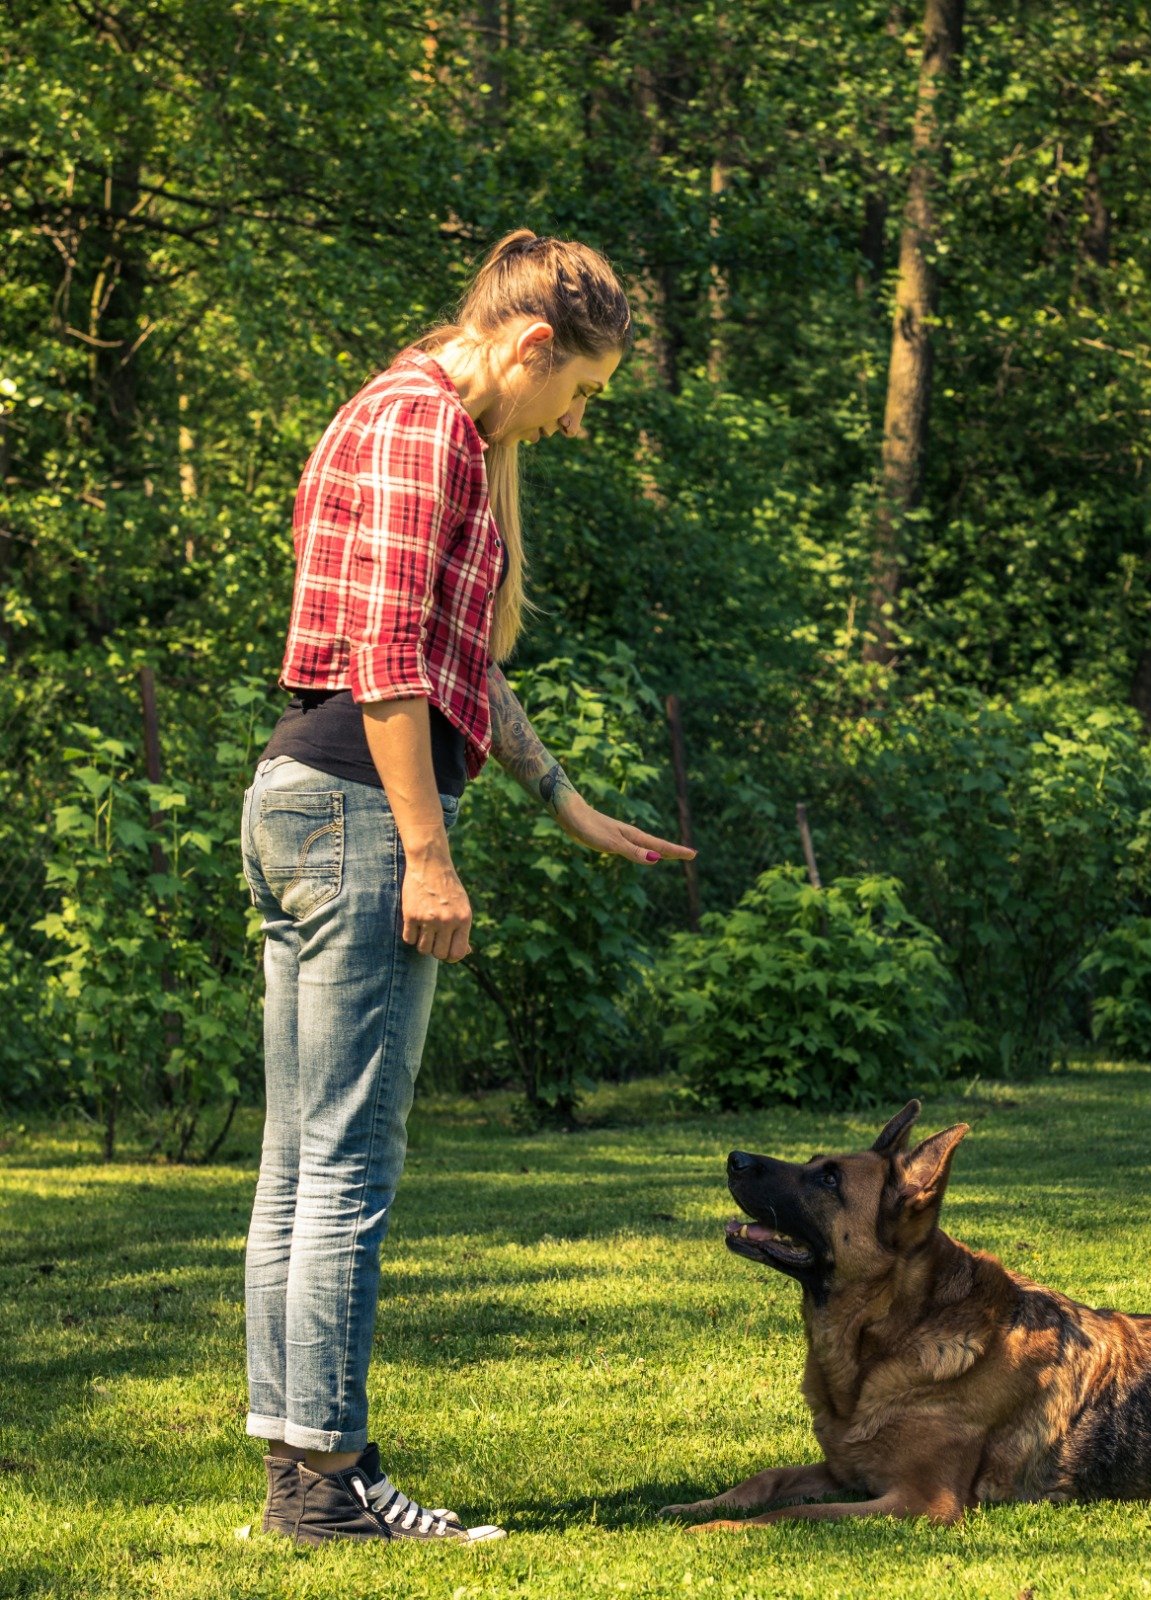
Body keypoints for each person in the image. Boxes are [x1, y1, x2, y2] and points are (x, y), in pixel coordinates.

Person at [237, 229, 695, 1545]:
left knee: (304, 1162)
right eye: (581, 395)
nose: (575, 423)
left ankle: (302, 1479)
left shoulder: (449, 427)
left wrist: (566, 802)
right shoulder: (416, 423)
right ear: (535, 344)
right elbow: (387, 661)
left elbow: (472, 656)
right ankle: (331, 1485)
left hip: (329, 805)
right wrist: (429, 857)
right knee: (344, 1166)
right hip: (356, 812)